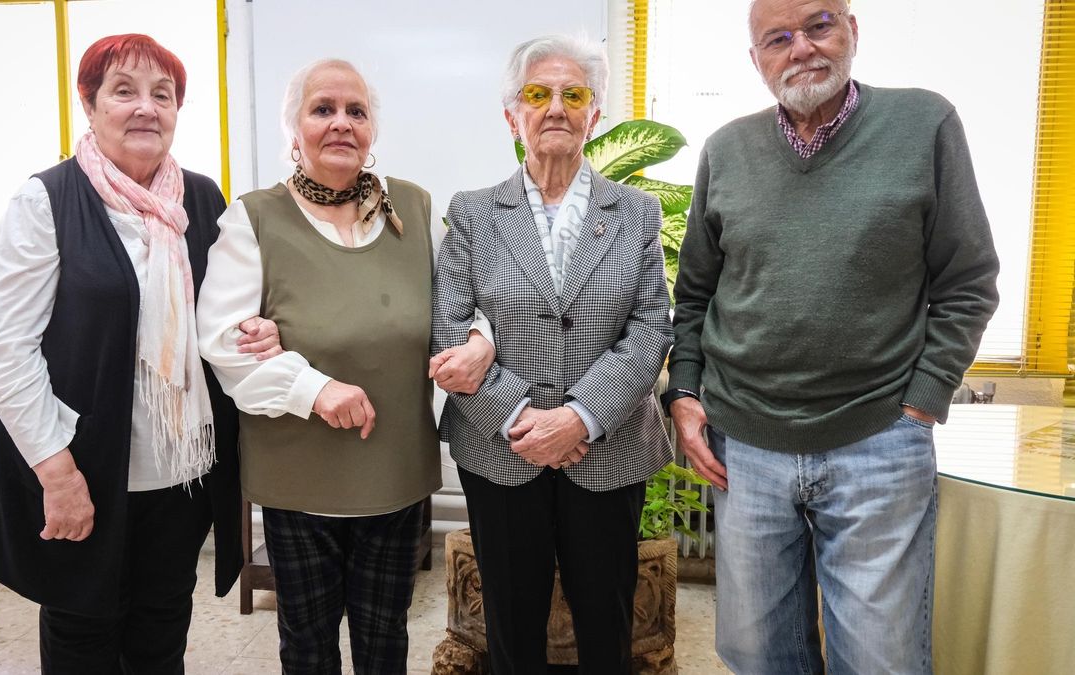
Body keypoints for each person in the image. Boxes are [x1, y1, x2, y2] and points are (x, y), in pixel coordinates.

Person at [661, 1, 1001, 672]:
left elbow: (969, 280)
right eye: (777, 39)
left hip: (878, 439)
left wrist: (922, 401)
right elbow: (696, 292)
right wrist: (685, 393)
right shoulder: (727, 150)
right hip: (746, 448)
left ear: (852, 30)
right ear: (756, 59)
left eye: (819, 26)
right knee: (758, 655)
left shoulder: (924, 123)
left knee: (881, 659)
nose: (802, 49)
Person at [0, 34, 280, 672]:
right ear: (89, 105)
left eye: (161, 95)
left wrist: (257, 332)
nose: (146, 107)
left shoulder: (202, 199)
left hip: (181, 475)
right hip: (83, 473)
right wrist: (58, 478)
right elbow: (4, 349)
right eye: (124, 91)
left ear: (176, 110)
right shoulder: (47, 200)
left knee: (160, 635)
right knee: (83, 638)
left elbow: (222, 318)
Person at [196, 58, 495, 675]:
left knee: (385, 637)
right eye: (322, 109)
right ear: (295, 130)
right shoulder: (252, 219)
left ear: (372, 129)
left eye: (355, 111)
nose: (340, 124)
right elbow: (224, 341)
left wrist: (478, 338)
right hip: (298, 479)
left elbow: (460, 300)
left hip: (394, 474)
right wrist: (314, 388)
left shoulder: (409, 208)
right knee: (307, 643)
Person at [432, 35, 674, 674]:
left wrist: (579, 418)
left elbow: (651, 331)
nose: (556, 108)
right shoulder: (475, 213)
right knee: (511, 628)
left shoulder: (637, 213)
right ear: (513, 114)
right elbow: (449, 334)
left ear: (594, 114)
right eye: (538, 94)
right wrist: (522, 421)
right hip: (500, 453)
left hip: (609, 449)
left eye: (574, 95)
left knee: (606, 625)